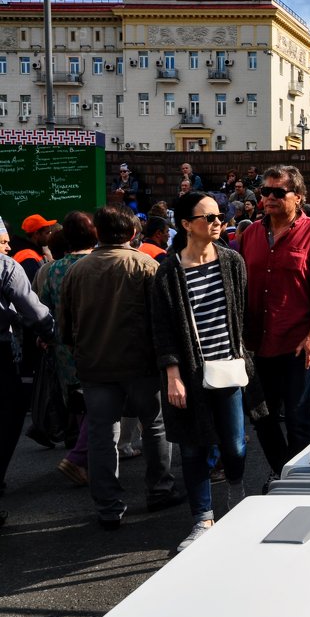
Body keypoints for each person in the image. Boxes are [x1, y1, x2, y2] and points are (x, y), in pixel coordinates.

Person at [59, 205, 182, 529]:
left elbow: (65, 324)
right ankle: (159, 490)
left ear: (98, 233)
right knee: (154, 426)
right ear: (131, 234)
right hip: (141, 363)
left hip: (95, 365)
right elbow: (163, 319)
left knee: (102, 434)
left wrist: (78, 351)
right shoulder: (146, 265)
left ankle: (108, 505)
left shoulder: (78, 270)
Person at [153, 192, 258, 551]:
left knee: (234, 442)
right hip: (190, 372)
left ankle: (237, 493)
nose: (218, 222)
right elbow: (162, 328)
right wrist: (172, 375)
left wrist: (245, 356)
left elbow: (242, 314)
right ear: (185, 225)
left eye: (220, 216)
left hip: (228, 367)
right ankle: (202, 517)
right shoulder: (168, 270)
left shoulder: (231, 261)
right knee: (193, 447)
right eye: (209, 217)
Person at [239, 165, 310, 488]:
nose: (270, 198)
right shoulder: (250, 234)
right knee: (260, 414)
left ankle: (300, 483)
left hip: (297, 343)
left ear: (299, 197)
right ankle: (284, 470)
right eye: (265, 191)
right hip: (256, 343)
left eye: (279, 192)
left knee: (297, 419)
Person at [37, 212, 98, 487]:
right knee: (100, 399)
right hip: (96, 341)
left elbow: (43, 307)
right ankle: (80, 457)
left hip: (62, 342)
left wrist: (46, 335)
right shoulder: (97, 263)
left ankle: (78, 448)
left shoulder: (53, 269)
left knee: (77, 396)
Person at [0, 216, 55, 498]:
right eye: (3, 241)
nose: (8, 247)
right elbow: (33, 309)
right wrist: (50, 331)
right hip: (2, 353)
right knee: (9, 417)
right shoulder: (8, 266)